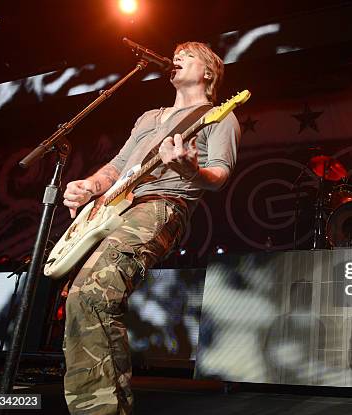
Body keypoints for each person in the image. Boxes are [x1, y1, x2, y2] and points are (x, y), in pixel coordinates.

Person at [61, 42, 240, 414]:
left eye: (188, 55)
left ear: (208, 72)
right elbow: (118, 164)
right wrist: (90, 186)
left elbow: (219, 175)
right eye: (176, 55)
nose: (177, 59)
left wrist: (190, 168)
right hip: (117, 207)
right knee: (81, 299)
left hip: (162, 205)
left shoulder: (219, 116)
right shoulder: (148, 117)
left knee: (92, 294)